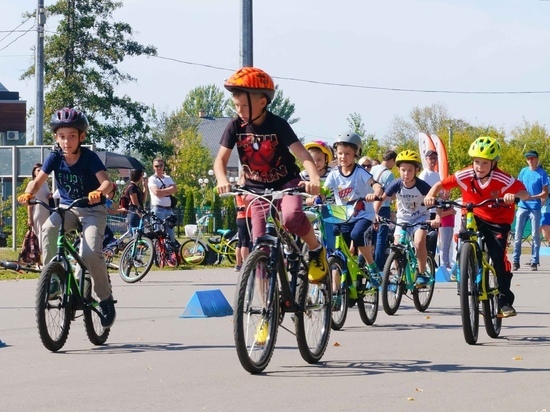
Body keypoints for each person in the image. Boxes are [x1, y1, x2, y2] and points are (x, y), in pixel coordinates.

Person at [214, 66, 328, 286]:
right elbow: (220, 161)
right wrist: (222, 180)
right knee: (260, 248)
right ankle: (266, 307)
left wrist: (314, 179)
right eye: (236, 105)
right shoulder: (235, 126)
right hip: (255, 189)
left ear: (262, 102)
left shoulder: (278, 124)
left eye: (244, 105)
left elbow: (303, 154)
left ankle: (315, 250)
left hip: (286, 183)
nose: (239, 110)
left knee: (291, 218)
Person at [18, 107, 116, 328]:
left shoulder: (89, 158)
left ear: (81, 137)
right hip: (67, 209)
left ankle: (106, 299)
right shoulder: (54, 157)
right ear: (56, 137)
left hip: (92, 211)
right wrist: (29, 192)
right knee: (49, 229)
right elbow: (38, 180)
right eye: (62, 136)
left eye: (72, 136)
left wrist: (99, 191)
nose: (67, 141)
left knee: (90, 254)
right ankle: (53, 279)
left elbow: (107, 182)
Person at [424, 136, 529, 318]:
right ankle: (466, 266)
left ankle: (504, 300)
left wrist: (514, 196)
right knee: (463, 238)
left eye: (485, 163)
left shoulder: (502, 178)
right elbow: (441, 184)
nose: (479, 167)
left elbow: (524, 193)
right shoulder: (465, 174)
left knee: (498, 256)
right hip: (473, 215)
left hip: (497, 220)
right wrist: (430, 195)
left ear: (493, 164)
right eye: (476, 162)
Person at [322, 131, 384, 290]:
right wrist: (314, 197)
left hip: (362, 215)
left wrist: (375, 193)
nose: (343, 157)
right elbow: (324, 190)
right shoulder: (334, 174)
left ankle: (372, 266)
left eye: (347, 153)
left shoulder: (360, 172)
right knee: (336, 251)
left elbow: (375, 184)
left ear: (356, 154)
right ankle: (335, 291)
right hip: (341, 216)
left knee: (357, 235)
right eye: (340, 153)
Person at [374, 150, 434, 286]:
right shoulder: (396, 184)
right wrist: (375, 213)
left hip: (420, 217)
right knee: (397, 245)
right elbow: (381, 198)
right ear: (398, 170)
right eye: (403, 170)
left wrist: (438, 218)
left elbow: (436, 200)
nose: (406, 174)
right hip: (403, 219)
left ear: (416, 170)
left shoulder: (422, 185)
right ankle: (398, 272)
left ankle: (421, 273)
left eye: (410, 170)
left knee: (419, 242)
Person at [512, 150, 549, 271]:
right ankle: (515, 260)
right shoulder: (523, 171)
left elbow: (545, 192)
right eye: (528, 159)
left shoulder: (542, 173)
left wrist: (532, 197)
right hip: (522, 206)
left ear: (537, 159)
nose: (530, 160)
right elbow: (518, 186)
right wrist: (517, 196)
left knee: (534, 235)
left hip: (535, 207)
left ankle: (534, 260)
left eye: (532, 158)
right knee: (517, 234)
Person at [369, 149, 397, 271]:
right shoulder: (389, 175)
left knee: (370, 237)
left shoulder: (373, 169)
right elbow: (391, 194)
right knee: (381, 238)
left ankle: (368, 262)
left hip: (370, 205)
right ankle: (379, 265)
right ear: (391, 160)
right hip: (383, 207)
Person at [148, 158, 177, 243]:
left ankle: (170, 255)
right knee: (158, 234)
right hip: (158, 209)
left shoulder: (168, 178)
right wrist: (168, 191)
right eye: (157, 166)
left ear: (163, 166)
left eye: (161, 165)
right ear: (153, 167)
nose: (159, 168)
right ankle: (157, 255)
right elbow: (156, 192)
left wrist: (162, 192)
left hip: (169, 209)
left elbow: (175, 189)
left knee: (171, 235)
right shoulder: (152, 179)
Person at [25, 163, 52, 252]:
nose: (40, 172)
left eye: (41, 170)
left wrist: (50, 195)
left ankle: (45, 256)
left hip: (46, 211)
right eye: (38, 170)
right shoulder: (31, 183)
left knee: (46, 233)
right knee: (37, 235)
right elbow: (29, 202)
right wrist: (30, 217)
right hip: (37, 212)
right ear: (34, 172)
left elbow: (45, 196)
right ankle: (37, 259)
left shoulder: (45, 183)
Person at [438, 190, 456, 271]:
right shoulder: (441, 203)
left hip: (450, 225)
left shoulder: (448, 202)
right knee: (444, 245)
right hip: (444, 225)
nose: (447, 195)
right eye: (445, 193)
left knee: (448, 245)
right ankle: (444, 263)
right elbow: (440, 214)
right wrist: (450, 212)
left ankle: (447, 262)